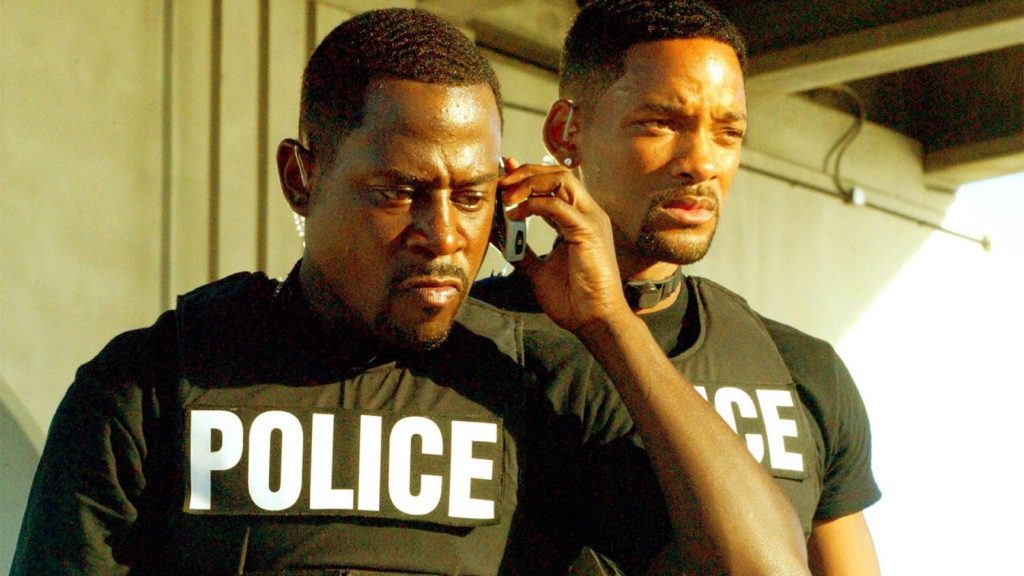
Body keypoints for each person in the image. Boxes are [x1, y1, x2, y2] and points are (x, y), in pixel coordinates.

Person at [11, 7, 809, 576]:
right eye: (398, 192)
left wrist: (609, 325)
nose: (444, 234)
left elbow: (766, 567)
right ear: (300, 177)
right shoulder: (152, 384)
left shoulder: (541, 383)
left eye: (472, 196)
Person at [473, 1, 882, 575]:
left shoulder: (804, 372)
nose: (701, 163)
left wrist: (611, 322)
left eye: (728, 132)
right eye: (660, 123)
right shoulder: (461, 345)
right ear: (567, 132)